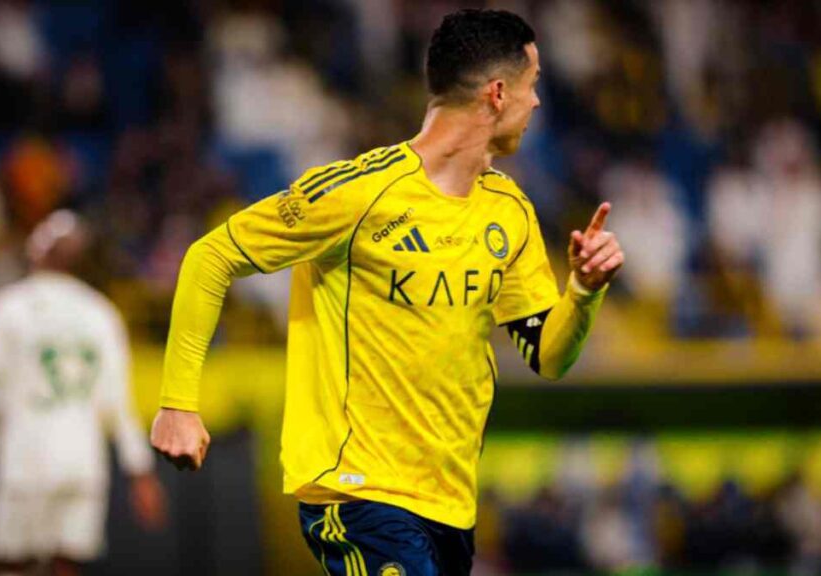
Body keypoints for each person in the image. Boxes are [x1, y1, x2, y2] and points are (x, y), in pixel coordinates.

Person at [151, 9, 623, 576]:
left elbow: (548, 355)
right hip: (358, 491)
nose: (538, 101)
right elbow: (211, 256)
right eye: (533, 84)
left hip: (449, 504)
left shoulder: (511, 213)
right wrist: (178, 402)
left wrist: (584, 291)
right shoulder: (359, 193)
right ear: (498, 93)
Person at [0, 210, 166, 576]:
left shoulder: (8, 306)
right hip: (82, 461)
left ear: (37, 250)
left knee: (9, 563)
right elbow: (118, 403)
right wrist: (141, 473)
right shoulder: (102, 313)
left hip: (23, 457)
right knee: (66, 565)